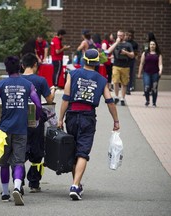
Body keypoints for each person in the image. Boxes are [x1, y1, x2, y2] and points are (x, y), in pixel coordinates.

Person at [58, 49, 120, 201]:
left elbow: (66, 98)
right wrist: (116, 120)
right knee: (83, 152)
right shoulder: (101, 79)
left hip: (71, 115)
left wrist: (60, 118)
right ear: (97, 63)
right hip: (88, 117)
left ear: (84, 60)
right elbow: (109, 101)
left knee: (74, 151)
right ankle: (75, 186)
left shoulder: (72, 74)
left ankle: (76, 184)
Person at [0, 56, 42, 206]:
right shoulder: (28, 85)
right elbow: (38, 104)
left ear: (6, 69)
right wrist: (36, 120)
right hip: (21, 129)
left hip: (4, 130)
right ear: (20, 67)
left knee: (4, 162)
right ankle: (17, 187)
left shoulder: (1, 84)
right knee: (18, 161)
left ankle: (5, 193)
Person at [21, 53, 56, 192]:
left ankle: (19, 180)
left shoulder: (16, 79)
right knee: (37, 152)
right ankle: (34, 183)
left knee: (19, 151)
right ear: (35, 65)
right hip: (36, 119)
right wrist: (52, 90)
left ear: (22, 65)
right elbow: (49, 100)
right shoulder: (41, 81)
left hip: (19, 120)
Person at [107, 29, 134, 106]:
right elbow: (108, 51)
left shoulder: (128, 45)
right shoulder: (115, 44)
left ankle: (122, 98)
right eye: (118, 35)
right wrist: (116, 43)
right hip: (116, 65)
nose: (119, 37)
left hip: (125, 66)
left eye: (121, 35)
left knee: (124, 83)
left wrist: (126, 52)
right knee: (115, 81)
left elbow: (132, 55)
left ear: (124, 36)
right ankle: (116, 96)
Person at [138, 40, 163, 107]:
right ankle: (147, 100)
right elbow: (141, 63)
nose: (152, 46)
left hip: (155, 73)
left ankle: (154, 102)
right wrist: (139, 73)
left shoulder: (158, 54)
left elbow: (160, 64)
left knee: (154, 88)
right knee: (147, 87)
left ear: (156, 46)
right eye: (151, 44)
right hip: (146, 73)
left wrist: (160, 70)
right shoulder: (145, 53)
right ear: (149, 45)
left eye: (153, 44)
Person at [126, 29, 139, 95]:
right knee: (125, 74)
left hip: (132, 61)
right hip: (125, 61)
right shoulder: (125, 43)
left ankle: (129, 88)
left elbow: (136, 53)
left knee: (131, 75)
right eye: (128, 35)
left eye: (130, 35)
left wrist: (135, 57)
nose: (129, 36)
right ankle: (125, 87)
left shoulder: (135, 44)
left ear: (133, 36)